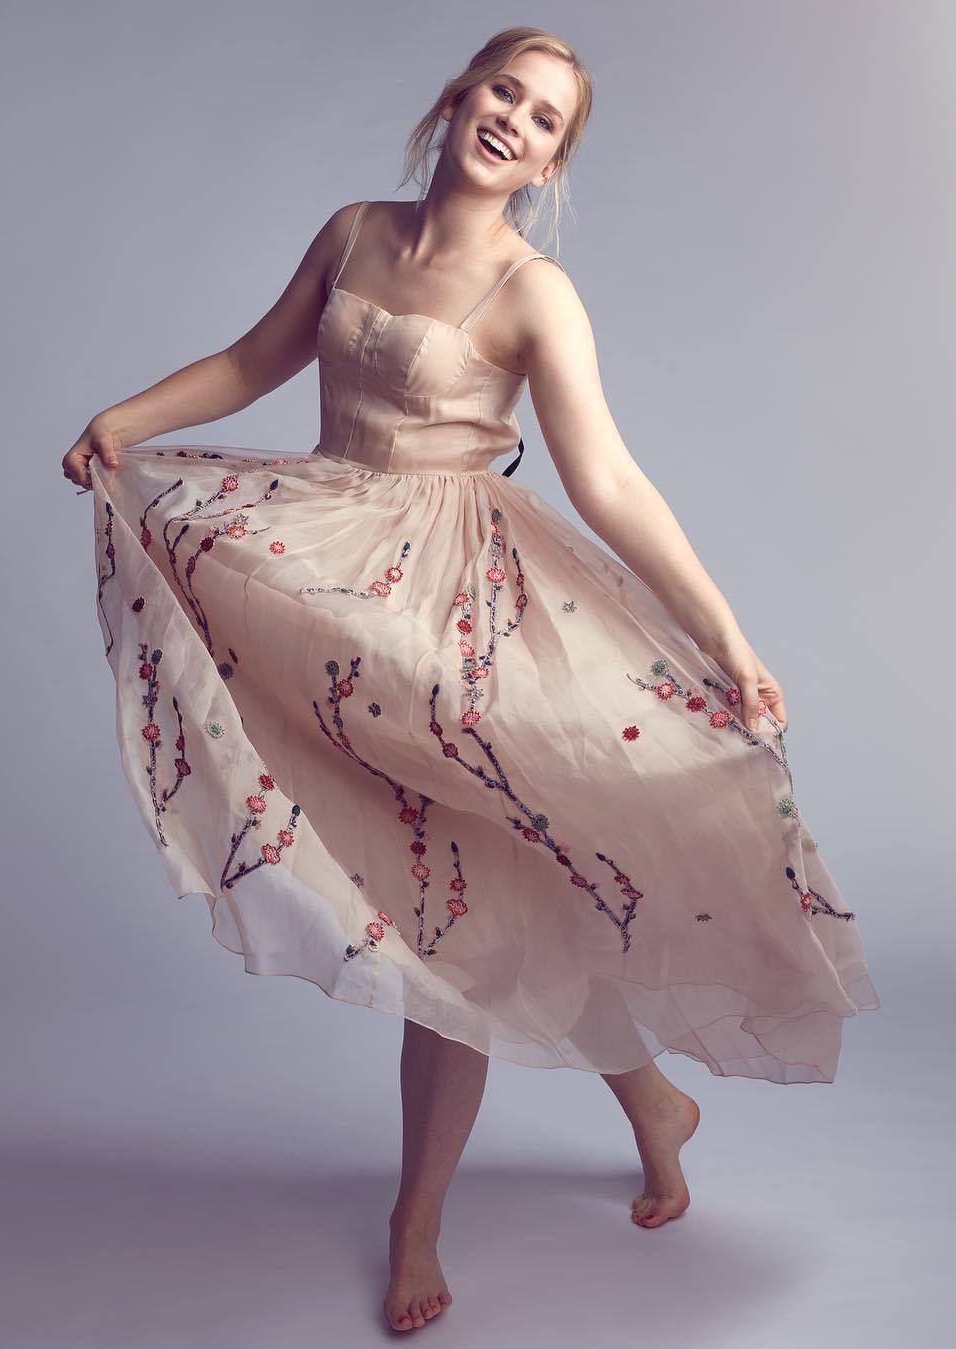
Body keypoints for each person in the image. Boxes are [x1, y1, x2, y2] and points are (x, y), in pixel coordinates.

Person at [63, 27, 879, 1335]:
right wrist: (127, 422)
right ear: (457, 96)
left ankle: (418, 1222)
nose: (516, 120)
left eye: (546, 119)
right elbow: (254, 363)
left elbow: (607, 481)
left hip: (463, 610)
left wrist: (727, 640)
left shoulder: (535, 292)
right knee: (489, 895)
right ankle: (655, 1108)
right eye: (506, 90)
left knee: (463, 915)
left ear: (551, 163)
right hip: (336, 575)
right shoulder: (354, 233)